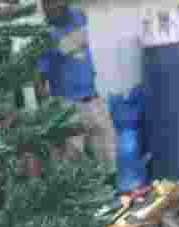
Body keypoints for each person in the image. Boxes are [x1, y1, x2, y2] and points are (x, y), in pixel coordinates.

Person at [34, 0, 116, 176]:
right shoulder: (43, 35)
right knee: (70, 166)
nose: (52, 7)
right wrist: (47, 114)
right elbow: (38, 78)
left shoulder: (79, 16)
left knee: (109, 153)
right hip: (67, 107)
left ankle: (115, 196)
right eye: (46, 4)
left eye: (55, 2)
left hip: (93, 99)